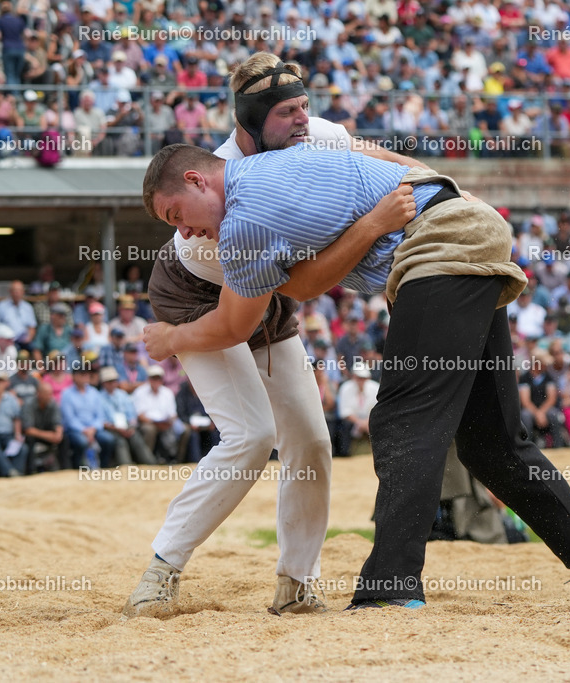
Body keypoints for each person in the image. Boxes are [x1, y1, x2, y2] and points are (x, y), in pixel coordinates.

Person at [139, 141, 570, 609]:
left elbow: (241, 320)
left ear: (198, 179)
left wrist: (171, 339)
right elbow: (362, 152)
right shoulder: (286, 151)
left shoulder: (243, 217)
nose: (183, 232)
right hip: (467, 231)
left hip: (440, 247)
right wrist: (439, 186)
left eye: (176, 215)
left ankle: (391, 584)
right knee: (489, 439)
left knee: (404, 422)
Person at [123, 52, 428, 618]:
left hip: (265, 292)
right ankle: (162, 569)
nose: (303, 120)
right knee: (250, 436)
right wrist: (173, 339)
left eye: (304, 108)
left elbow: (376, 158)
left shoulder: (313, 134)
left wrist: (445, 189)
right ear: (251, 127)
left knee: (311, 441)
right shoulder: (212, 202)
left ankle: (297, 582)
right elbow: (234, 321)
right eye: (288, 112)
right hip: (195, 299)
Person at [60, 365, 114, 468]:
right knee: (81, 442)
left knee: (108, 439)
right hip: (75, 430)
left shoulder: (94, 393)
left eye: (86, 375)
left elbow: (100, 416)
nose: (85, 377)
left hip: (94, 429)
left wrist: (92, 429)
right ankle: (77, 467)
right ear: (74, 376)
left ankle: (104, 467)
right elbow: (70, 419)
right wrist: (84, 430)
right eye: (82, 375)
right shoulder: (66, 394)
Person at [99, 366, 154, 466]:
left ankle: (151, 464)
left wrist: (131, 427)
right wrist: (116, 429)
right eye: (109, 381)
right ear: (103, 383)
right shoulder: (98, 398)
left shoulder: (122, 395)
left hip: (127, 427)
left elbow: (132, 415)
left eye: (114, 380)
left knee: (136, 438)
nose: (112, 383)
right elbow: (101, 421)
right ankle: (126, 466)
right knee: (120, 442)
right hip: (111, 429)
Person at [21, 381, 65, 472]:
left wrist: (58, 434)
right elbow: (28, 429)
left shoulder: (53, 403)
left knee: (65, 438)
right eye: (47, 394)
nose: (50, 396)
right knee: (29, 439)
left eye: (50, 394)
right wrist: (49, 435)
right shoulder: (28, 404)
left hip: (48, 433)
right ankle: (31, 471)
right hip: (35, 435)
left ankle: (65, 469)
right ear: (39, 394)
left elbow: (58, 422)